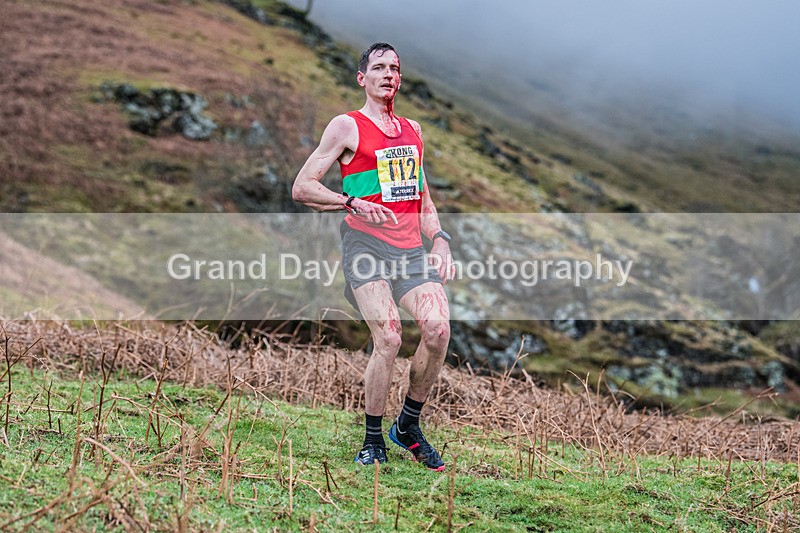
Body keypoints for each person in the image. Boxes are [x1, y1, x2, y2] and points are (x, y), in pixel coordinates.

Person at [292, 42, 454, 471]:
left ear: (400, 79)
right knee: (389, 337)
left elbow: (423, 199)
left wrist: (440, 239)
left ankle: (408, 426)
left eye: (395, 68)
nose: (388, 74)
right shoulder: (347, 126)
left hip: (410, 250)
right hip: (365, 246)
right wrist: (351, 202)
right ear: (362, 78)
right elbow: (302, 187)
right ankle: (372, 440)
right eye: (379, 67)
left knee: (438, 331)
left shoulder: (414, 131)